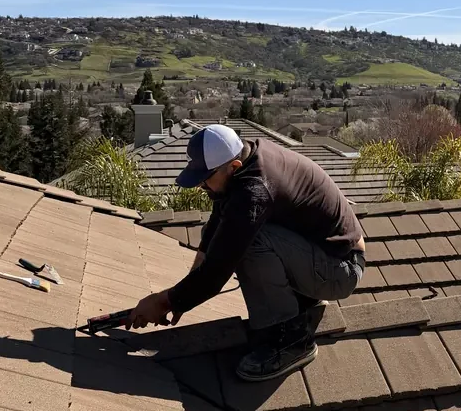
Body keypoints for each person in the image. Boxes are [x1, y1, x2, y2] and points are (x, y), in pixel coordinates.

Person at [127, 124, 366, 381]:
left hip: (341, 268)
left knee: (249, 242)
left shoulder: (254, 190)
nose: (201, 185)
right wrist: (182, 296)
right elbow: (215, 234)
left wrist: (165, 301)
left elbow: (218, 270)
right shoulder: (246, 161)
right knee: (235, 231)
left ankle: (291, 341)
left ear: (234, 167)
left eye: (206, 177)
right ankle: (301, 300)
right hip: (322, 254)